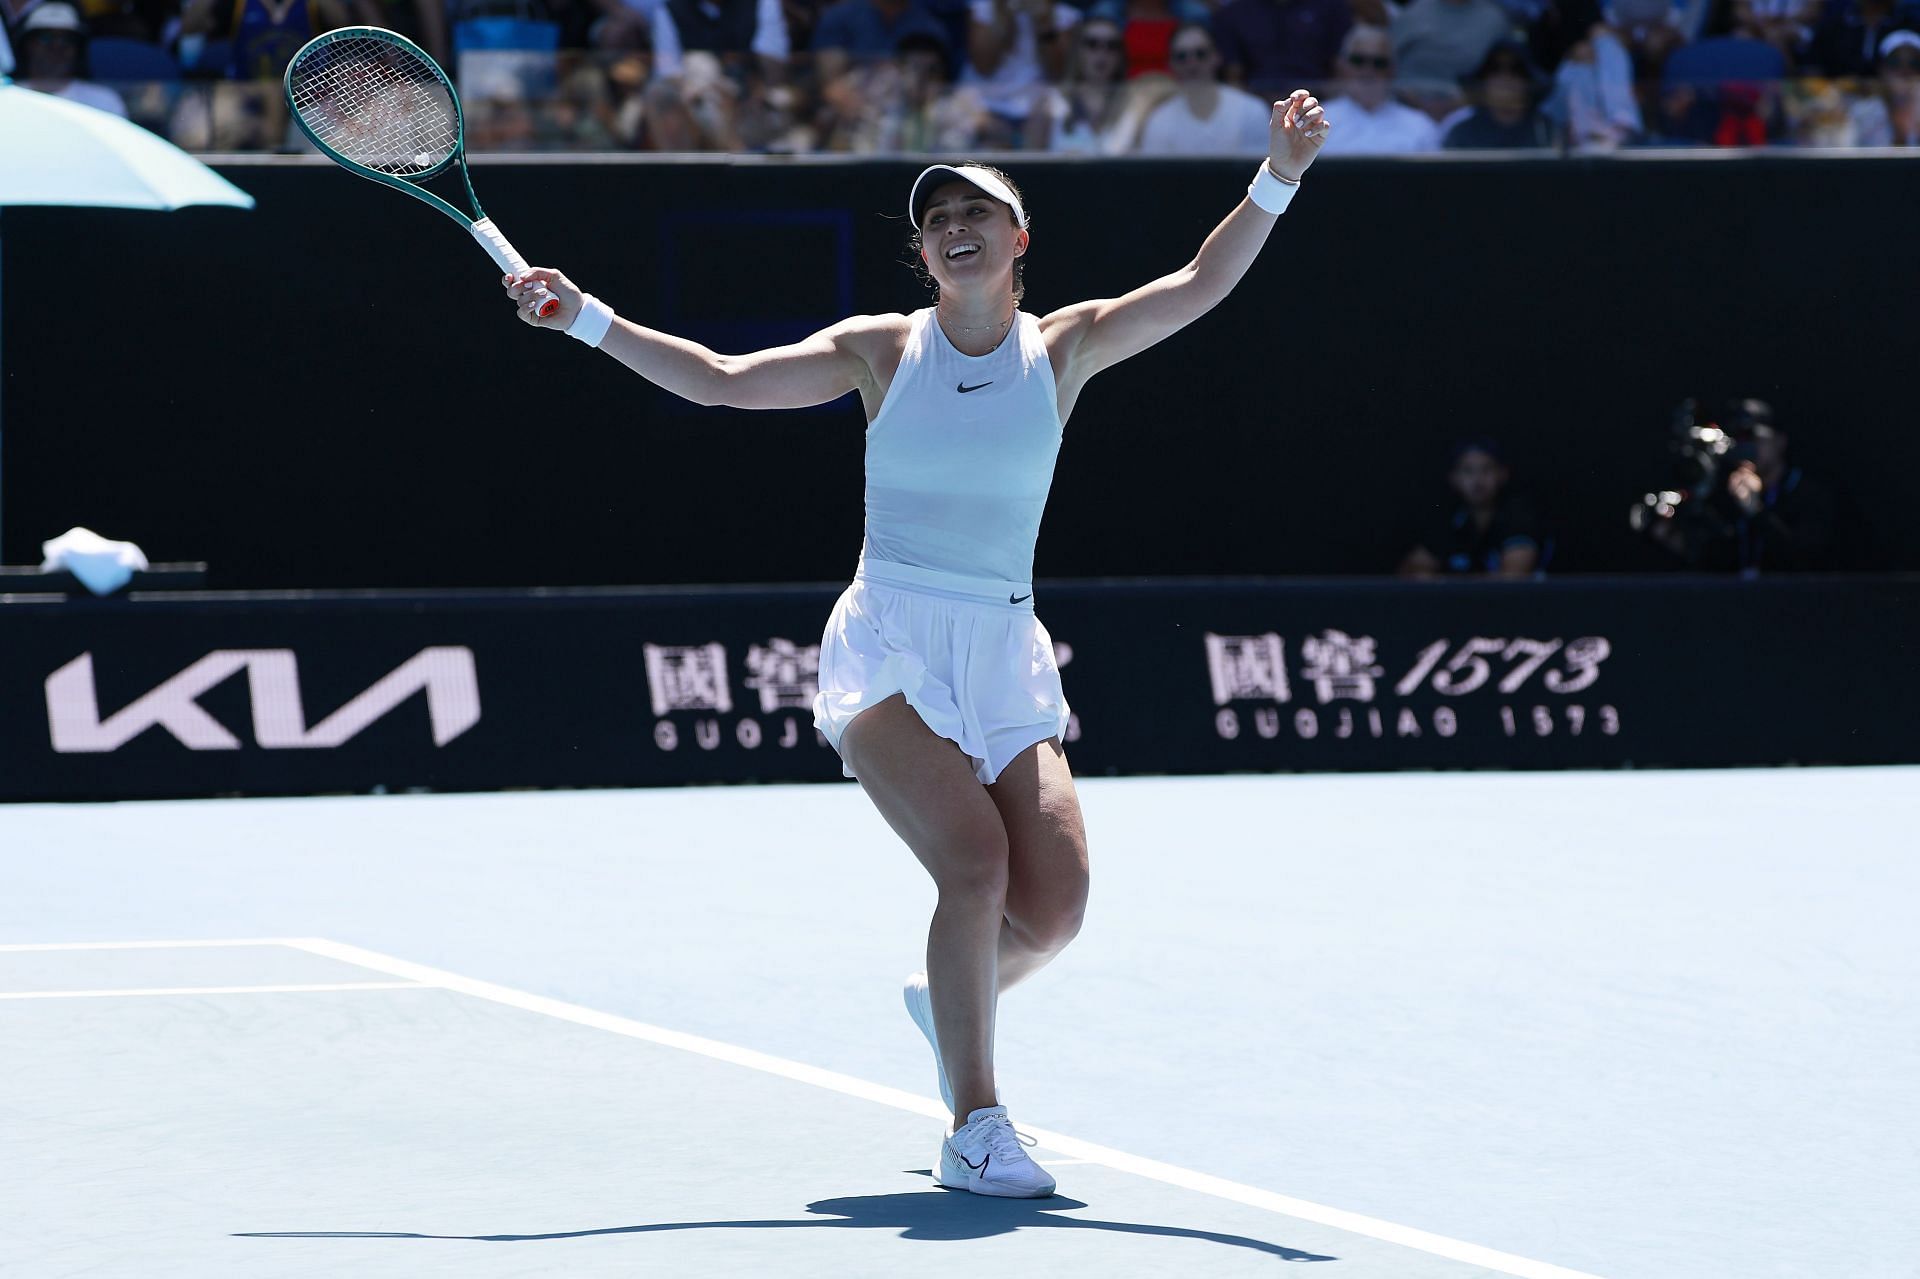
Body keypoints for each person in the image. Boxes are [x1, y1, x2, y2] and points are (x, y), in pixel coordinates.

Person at [500, 98, 1332, 1197]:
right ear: (925, 249)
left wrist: (1278, 172)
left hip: (1001, 643)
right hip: (890, 640)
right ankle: (974, 1124)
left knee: (1057, 906)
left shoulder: (1068, 345)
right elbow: (719, 378)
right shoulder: (880, 350)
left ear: (1017, 238)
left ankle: (946, 995)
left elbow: (1200, 284)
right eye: (936, 214)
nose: (953, 224)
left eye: (976, 209)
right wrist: (585, 319)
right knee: (974, 866)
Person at [1653, 399, 1838, 572]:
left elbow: (1806, 563)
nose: (1748, 448)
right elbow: (1717, 566)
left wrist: (1756, 511)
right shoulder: (1726, 493)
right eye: (1740, 440)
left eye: (1755, 438)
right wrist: (1678, 541)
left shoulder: (1808, 495)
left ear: (1780, 441)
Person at [1398, 438, 1542, 576]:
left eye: (1487, 469)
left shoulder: (1518, 515)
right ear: (1453, 478)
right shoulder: (1451, 519)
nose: (1477, 480)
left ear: (1502, 474)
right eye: (1468, 470)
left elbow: (1512, 579)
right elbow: (1412, 571)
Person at [1134, 23, 1276, 152]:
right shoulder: (1159, 120)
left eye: (1201, 54)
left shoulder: (1252, 111)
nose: (1192, 64)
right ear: (1170, 65)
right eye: (1181, 57)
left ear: (1217, 57)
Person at [1321, 23, 1442, 149]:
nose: (1368, 71)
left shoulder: (1421, 126)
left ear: (1392, 70)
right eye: (1358, 60)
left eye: (1379, 63)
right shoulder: (1317, 123)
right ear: (1342, 65)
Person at [1211, 0, 1354, 95]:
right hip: (1255, 102)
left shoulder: (1332, 7)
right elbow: (1233, 77)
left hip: (1320, 100)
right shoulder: (1232, 13)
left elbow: (1342, 71)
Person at [10, 1, 126, 116]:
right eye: (46, 38)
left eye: (66, 39)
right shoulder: (7, 98)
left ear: (78, 48)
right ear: (27, 44)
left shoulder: (104, 102)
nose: (56, 46)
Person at [1442, 35, 1552, 144]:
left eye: (1516, 69)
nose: (1505, 77)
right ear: (1483, 79)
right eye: (1494, 68)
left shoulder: (1544, 131)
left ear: (1528, 80)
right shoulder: (1461, 133)